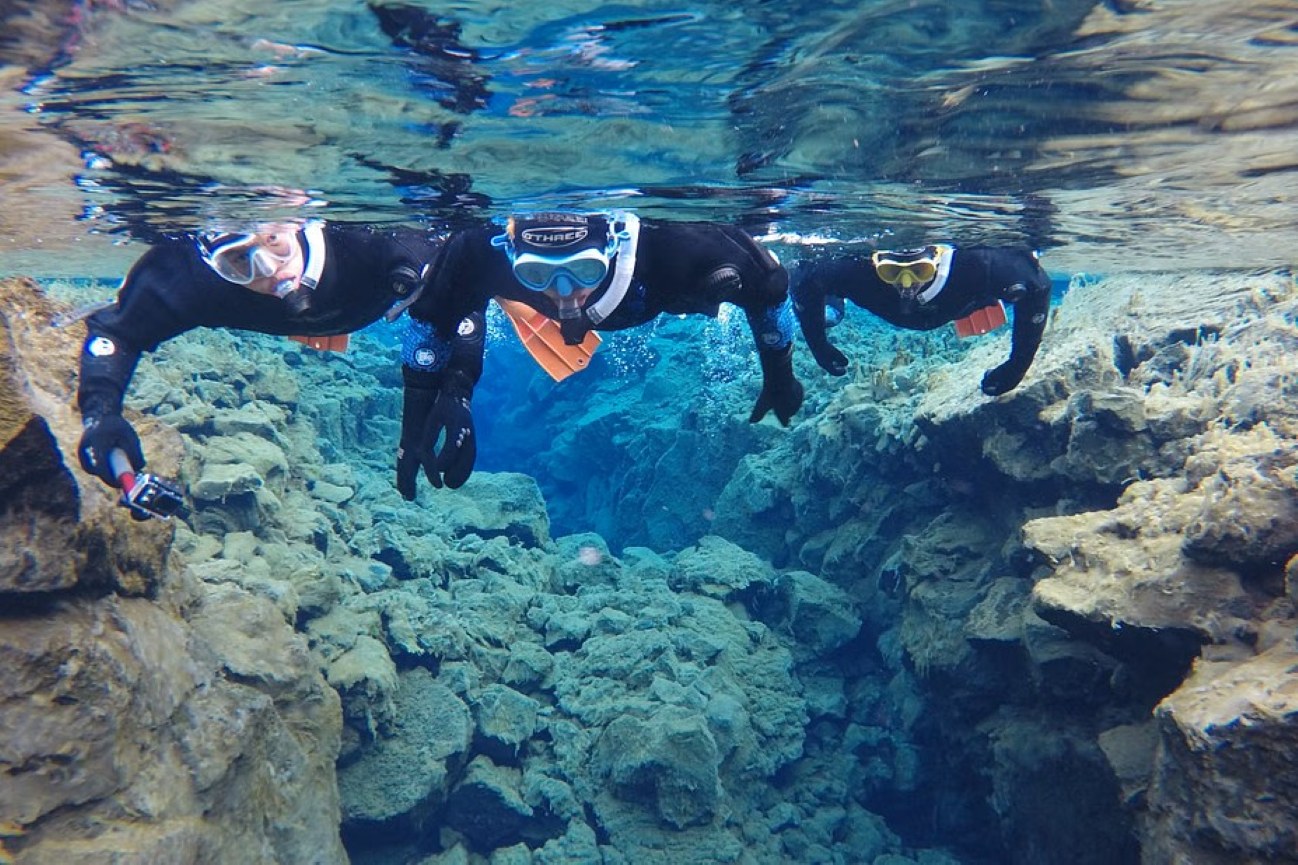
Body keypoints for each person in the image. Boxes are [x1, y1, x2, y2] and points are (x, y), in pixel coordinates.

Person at [395, 210, 803, 500]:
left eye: (584, 270)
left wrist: (779, 374)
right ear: (510, 251)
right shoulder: (481, 247)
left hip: (660, 289)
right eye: (536, 274)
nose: (564, 293)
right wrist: (441, 401)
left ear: (614, 244)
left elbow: (769, 292)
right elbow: (434, 319)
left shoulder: (683, 242)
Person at [75, 220, 485, 495]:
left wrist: (456, 390)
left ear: (297, 220)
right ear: (211, 263)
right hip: (344, 313)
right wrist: (101, 414)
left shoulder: (377, 241)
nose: (271, 271)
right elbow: (115, 333)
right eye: (239, 262)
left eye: (274, 242)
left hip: (368, 296)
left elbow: (459, 289)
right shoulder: (184, 278)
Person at [789, 244, 1051, 396]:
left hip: (965, 302)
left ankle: (987, 300)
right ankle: (835, 306)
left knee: (1004, 289)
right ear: (876, 263)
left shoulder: (982, 265)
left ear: (938, 261)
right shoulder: (851, 268)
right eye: (891, 272)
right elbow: (804, 280)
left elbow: (1037, 287)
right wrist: (818, 343)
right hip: (946, 304)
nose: (906, 285)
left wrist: (1019, 364)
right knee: (826, 302)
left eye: (919, 270)